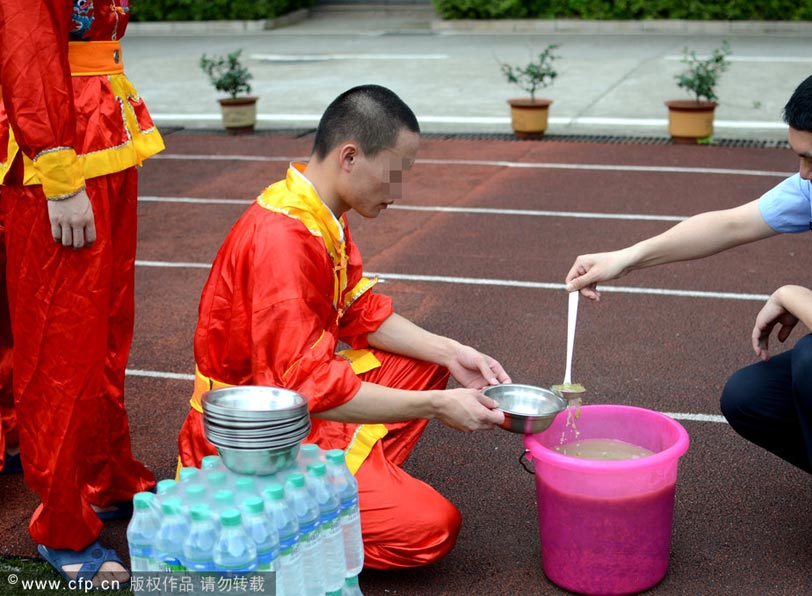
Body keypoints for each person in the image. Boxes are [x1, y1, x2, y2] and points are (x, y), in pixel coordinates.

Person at [566, 60, 812, 596]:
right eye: (799, 158)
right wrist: (625, 258)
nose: (805, 174)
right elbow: (732, 222)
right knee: (751, 397)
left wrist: (793, 295)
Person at [178, 84, 509, 569]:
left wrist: (451, 351)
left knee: (428, 363)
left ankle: (352, 486)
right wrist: (438, 407)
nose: (399, 191)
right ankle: (280, 527)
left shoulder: (317, 209)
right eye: (395, 174)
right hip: (250, 444)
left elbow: (360, 311)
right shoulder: (284, 242)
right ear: (350, 157)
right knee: (432, 529)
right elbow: (310, 388)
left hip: (288, 400)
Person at [0, 0, 164, 587]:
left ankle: (106, 473)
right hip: (62, 146)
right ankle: (63, 522)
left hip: (103, 129)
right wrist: (57, 170)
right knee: (62, 346)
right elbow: (26, 45)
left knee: (107, 329)